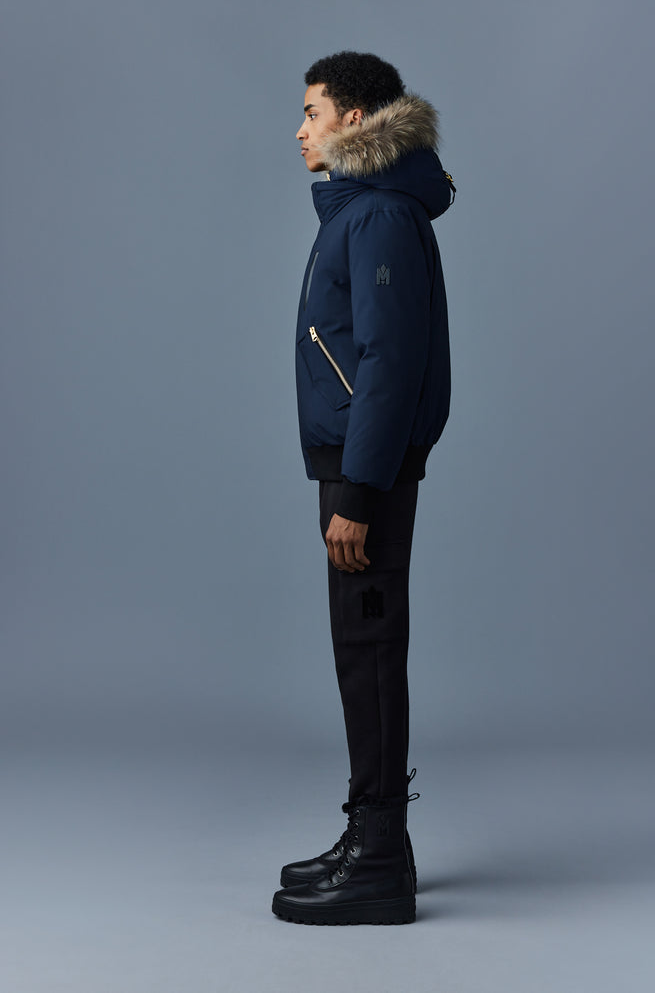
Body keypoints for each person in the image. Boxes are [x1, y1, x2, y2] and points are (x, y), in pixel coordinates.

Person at [272, 51, 454, 926]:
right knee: (362, 648)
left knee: (369, 650)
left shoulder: (377, 213)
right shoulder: (362, 208)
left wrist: (359, 491)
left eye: (311, 111)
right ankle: (375, 841)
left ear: (353, 119)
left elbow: (389, 362)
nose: (299, 130)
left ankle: (378, 859)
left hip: (364, 468)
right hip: (354, 460)